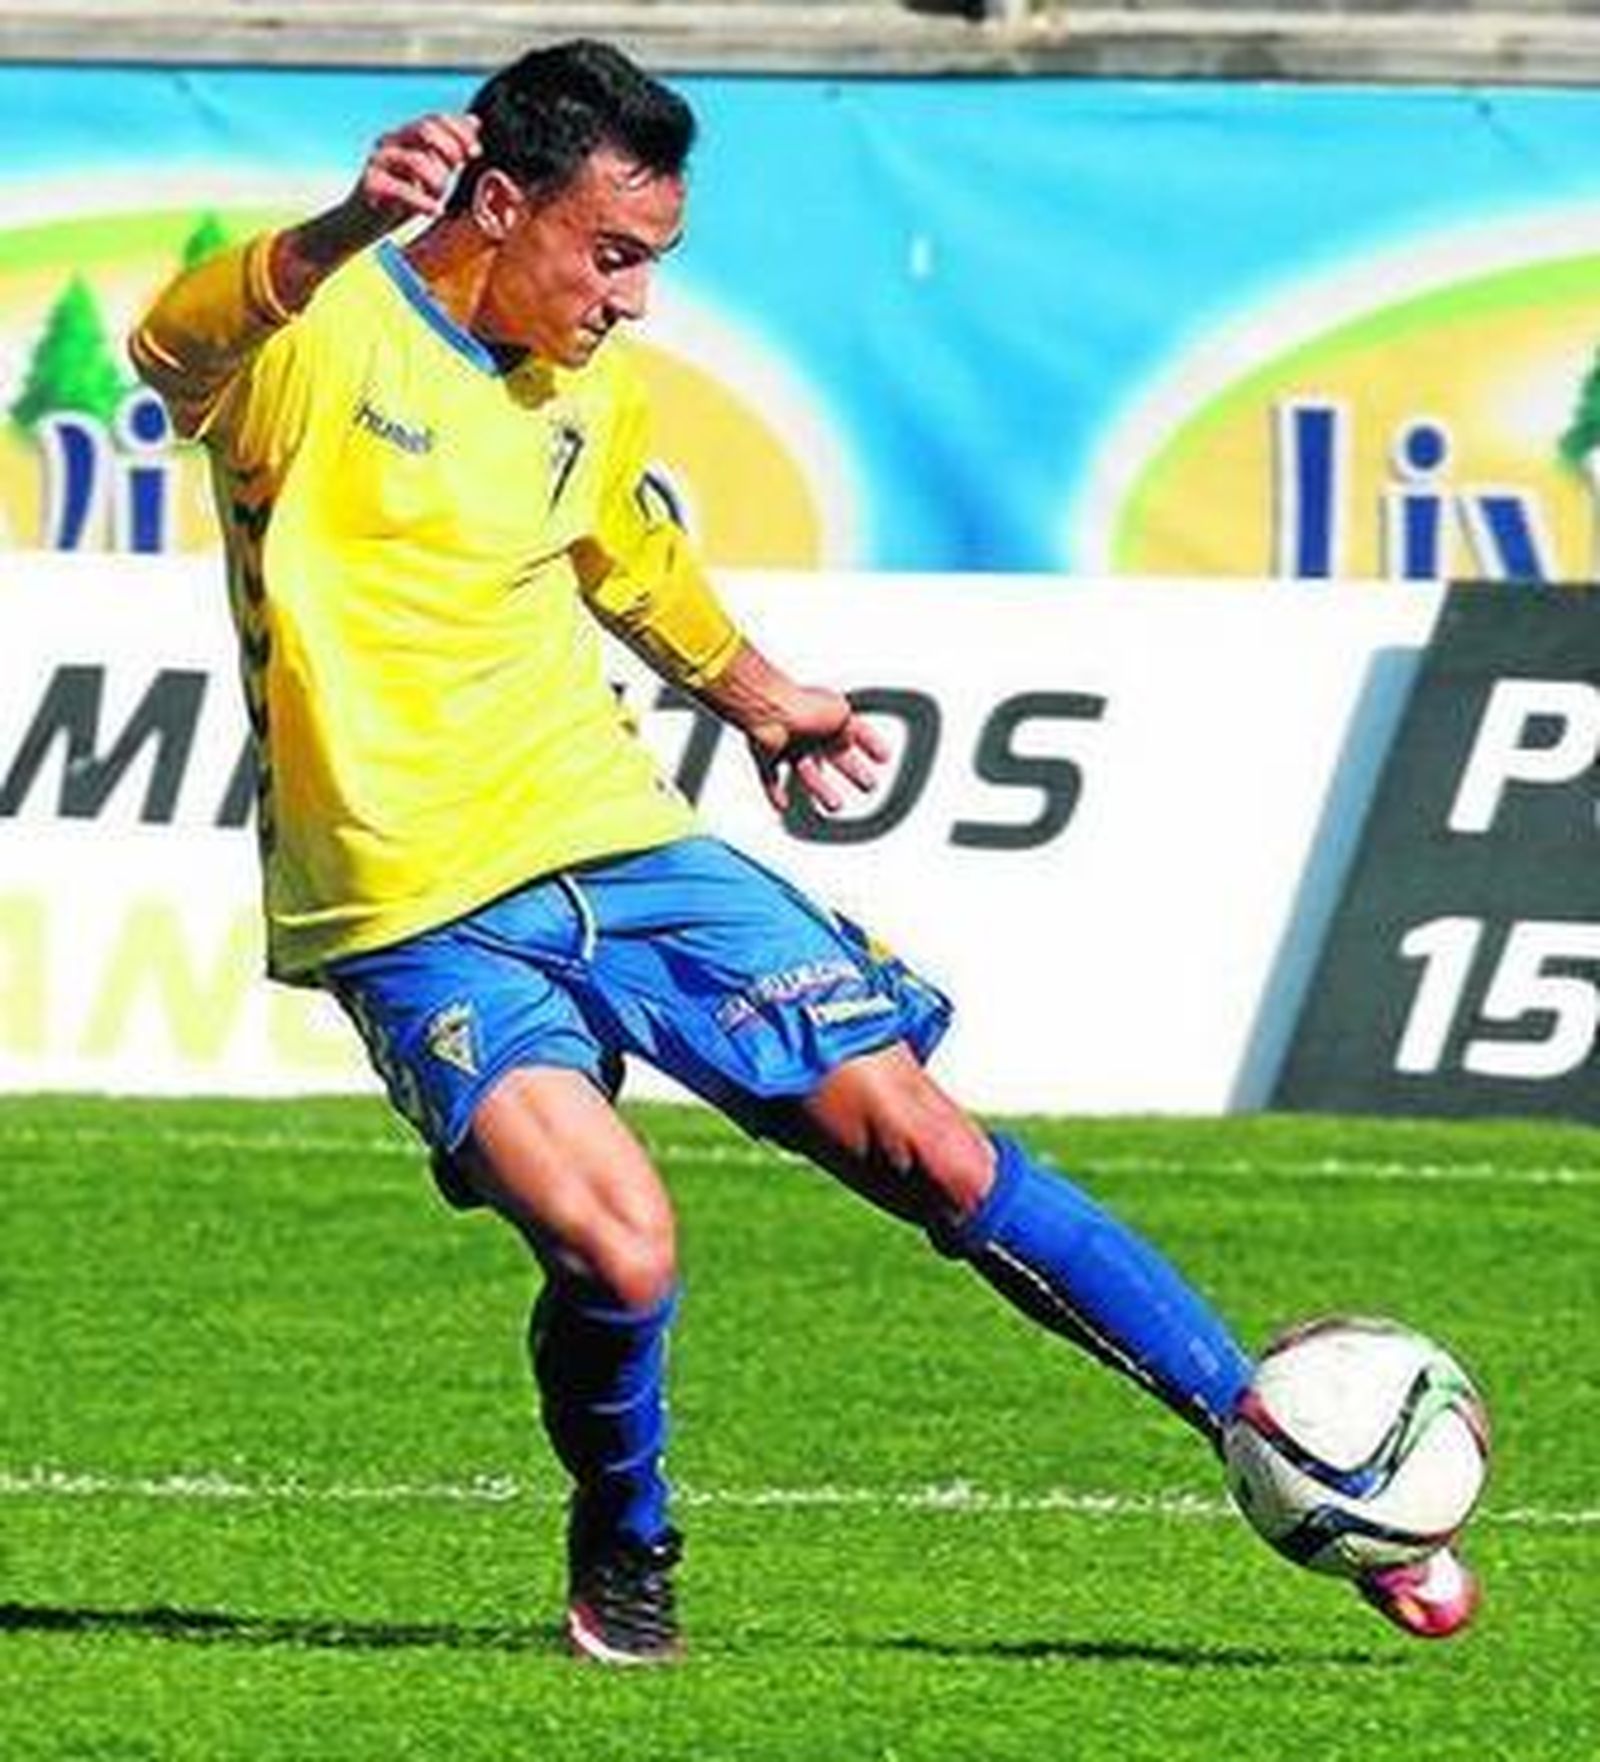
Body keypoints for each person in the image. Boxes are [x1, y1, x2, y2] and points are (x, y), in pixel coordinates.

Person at [128, 39, 1477, 1662]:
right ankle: (625, 1530)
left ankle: (1276, 1441)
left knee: (929, 1143)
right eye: (611, 255)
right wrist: (342, 222)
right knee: (619, 1246)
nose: (633, 300)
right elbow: (168, 346)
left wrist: (770, 704)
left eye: (654, 263)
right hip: (414, 905)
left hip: (619, 840)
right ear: (497, 201)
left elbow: (629, 553)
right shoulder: (318, 334)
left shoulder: (583, 382)